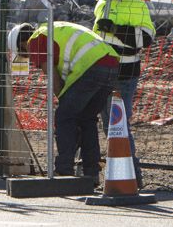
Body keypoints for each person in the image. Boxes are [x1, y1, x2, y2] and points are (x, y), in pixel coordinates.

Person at [7, 21, 119, 183]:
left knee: (64, 117)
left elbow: (53, 77)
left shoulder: (36, 40)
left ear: (22, 44)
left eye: (25, 55)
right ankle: (91, 174)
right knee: (87, 120)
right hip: (111, 63)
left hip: (92, 66)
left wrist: (65, 102)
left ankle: (64, 171)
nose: (30, 59)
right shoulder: (53, 29)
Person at [88, 0, 155, 188]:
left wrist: (115, 29)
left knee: (118, 126)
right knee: (106, 124)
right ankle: (110, 172)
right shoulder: (103, 2)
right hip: (102, 72)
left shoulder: (134, 1)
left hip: (123, 73)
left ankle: (131, 175)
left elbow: (145, 39)